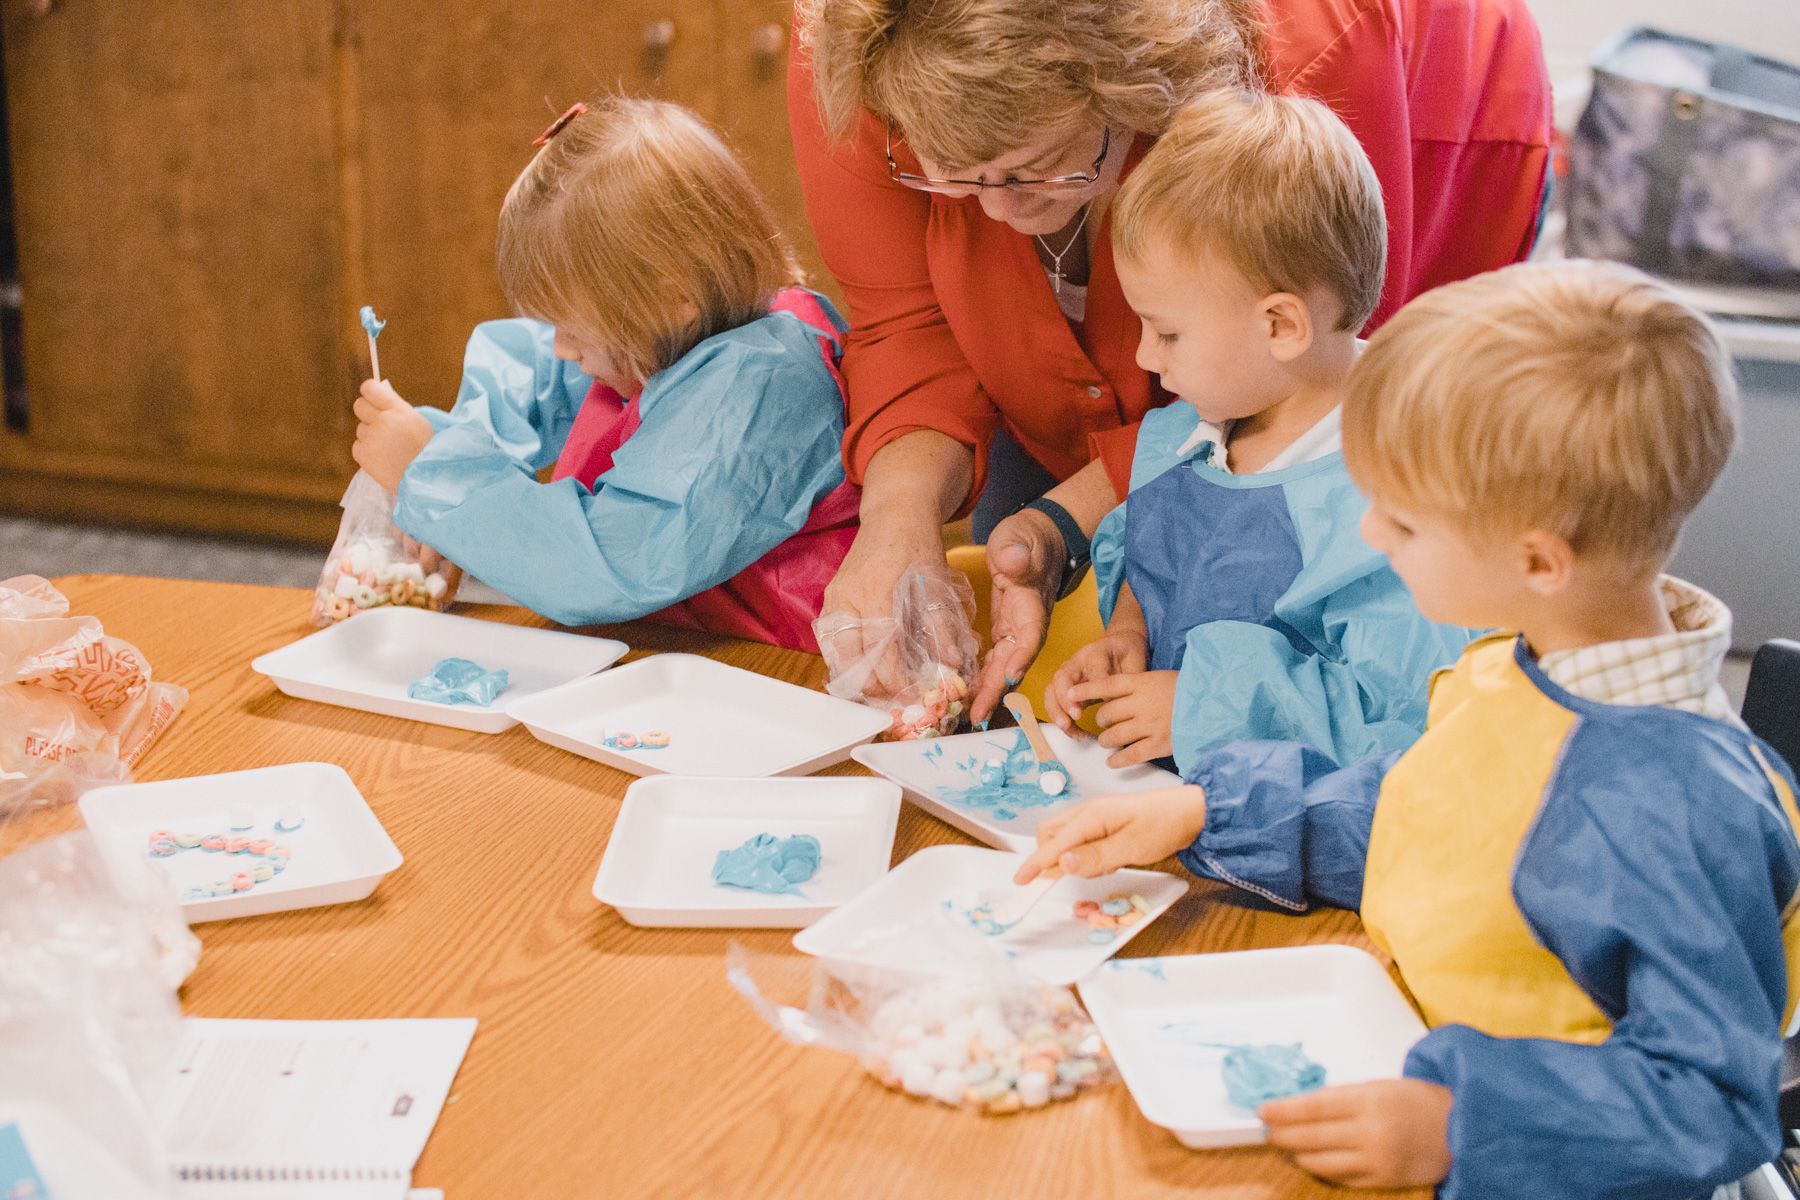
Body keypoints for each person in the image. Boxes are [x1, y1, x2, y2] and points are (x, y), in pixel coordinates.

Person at [1014, 261, 1800, 1197]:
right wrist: (1204, 810)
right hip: (1401, 1044)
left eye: (1405, 520)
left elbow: (1708, 1099)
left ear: (1537, 559)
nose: (1373, 536)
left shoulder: (1671, 798)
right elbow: (1427, 812)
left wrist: (1462, 1129)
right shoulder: (1523, 663)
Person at [789, 0, 1552, 719]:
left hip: (1426, 139)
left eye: (1038, 166)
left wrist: (1209, 707)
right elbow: (911, 321)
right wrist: (906, 522)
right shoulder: (869, 43)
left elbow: (1297, 379)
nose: (992, 215)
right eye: (951, 174)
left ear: (1127, 80)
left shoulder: (1305, 54)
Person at [1042, 89, 1472, 773]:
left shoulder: (1400, 498)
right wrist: (1127, 637)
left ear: (1280, 326)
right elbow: (1155, 565)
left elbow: (1403, 725)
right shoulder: (1196, 437)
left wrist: (1204, 707)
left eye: (1169, 332)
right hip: (1172, 806)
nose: (1145, 358)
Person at [349, 96, 857, 653]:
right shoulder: (662, 331)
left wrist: (435, 478)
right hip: (670, 651)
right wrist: (448, 481)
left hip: (776, 676)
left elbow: (610, 562)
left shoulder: (760, 390)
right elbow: (529, 370)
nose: (561, 346)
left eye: (574, 326)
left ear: (670, 299)